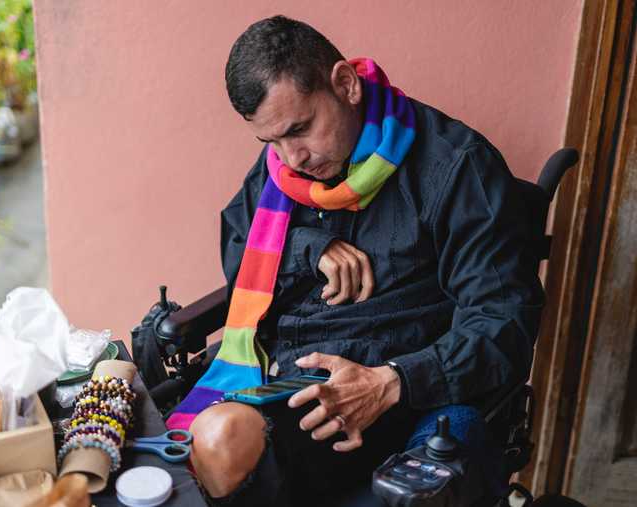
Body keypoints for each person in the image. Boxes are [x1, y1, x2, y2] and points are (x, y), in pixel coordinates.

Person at [181, 15, 544, 506]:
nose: (292, 159)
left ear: (346, 85)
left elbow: (504, 325)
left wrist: (388, 382)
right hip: (284, 379)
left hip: (396, 391)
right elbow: (240, 250)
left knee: (220, 438)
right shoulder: (284, 174)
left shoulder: (457, 169)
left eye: (300, 129)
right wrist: (309, 248)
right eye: (273, 142)